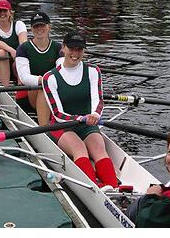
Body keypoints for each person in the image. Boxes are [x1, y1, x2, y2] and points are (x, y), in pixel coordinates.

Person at [42, 31, 118, 190]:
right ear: (63, 48)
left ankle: (113, 188)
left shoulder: (93, 70)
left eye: (80, 49)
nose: (75, 53)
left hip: (87, 123)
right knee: (80, 149)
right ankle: (94, 189)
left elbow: (98, 100)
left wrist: (95, 115)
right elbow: (57, 113)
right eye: (72, 48)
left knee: (99, 150)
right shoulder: (50, 78)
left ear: (84, 51)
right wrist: (80, 118)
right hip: (61, 126)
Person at [16, 11, 63, 126]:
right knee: (44, 87)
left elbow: (61, 72)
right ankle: (44, 129)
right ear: (31, 29)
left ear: (49, 27)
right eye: (36, 26)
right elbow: (24, 77)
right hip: (28, 94)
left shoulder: (58, 47)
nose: (39, 29)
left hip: (52, 90)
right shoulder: (23, 49)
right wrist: (43, 80)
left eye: (42, 25)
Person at [0, 0, 27, 86]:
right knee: (1, 53)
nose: (2, 13)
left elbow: (23, 43)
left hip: (15, 63)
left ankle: (21, 85)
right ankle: (5, 88)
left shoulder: (19, 24)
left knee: (23, 51)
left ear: (10, 12)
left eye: (4, 10)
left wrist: (19, 54)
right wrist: (11, 50)